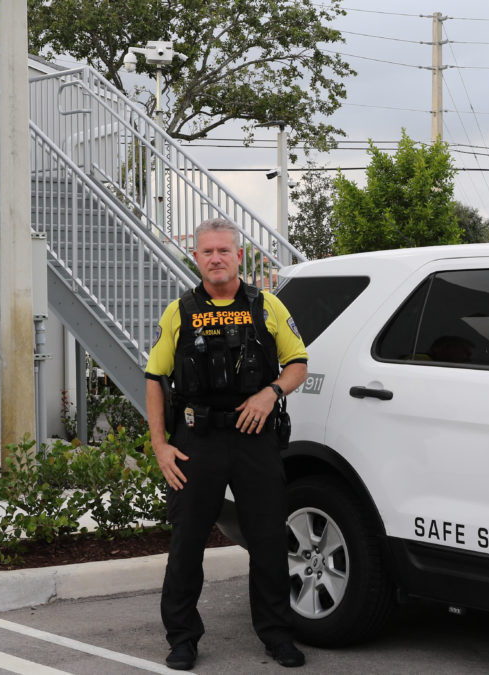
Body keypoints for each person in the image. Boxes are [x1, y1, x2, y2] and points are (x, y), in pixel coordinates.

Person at [145, 218, 309, 671]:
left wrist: (271, 392)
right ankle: (182, 638)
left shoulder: (267, 306)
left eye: (224, 251)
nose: (215, 258)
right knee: (187, 543)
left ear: (240, 256)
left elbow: (297, 363)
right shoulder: (178, 312)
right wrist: (160, 445)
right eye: (207, 252)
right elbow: (155, 378)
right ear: (195, 258)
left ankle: (277, 634)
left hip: (254, 438)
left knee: (270, 540)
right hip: (195, 441)